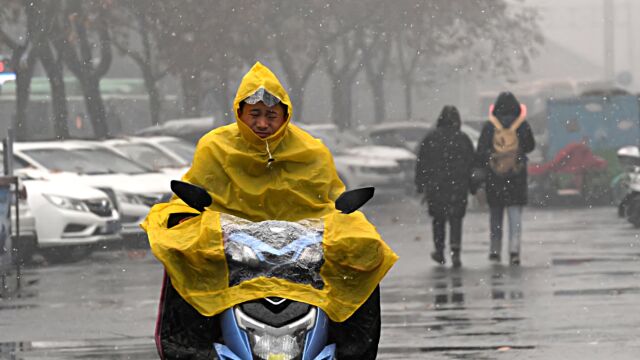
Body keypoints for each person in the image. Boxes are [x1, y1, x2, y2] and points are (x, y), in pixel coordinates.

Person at [143, 62, 397, 360]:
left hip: (301, 255)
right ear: (240, 113)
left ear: (285, 116)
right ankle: (188, 348)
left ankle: (352, 350)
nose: (263, 124)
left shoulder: (311, 151)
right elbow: (191, 194)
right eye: (255, 115)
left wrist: (346, 223)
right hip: (233, 253)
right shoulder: (215, 148)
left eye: (271, 116)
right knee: (178, 250)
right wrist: (184, 219)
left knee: (368, 250)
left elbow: (331, 201)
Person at [476, 92, 535, 265]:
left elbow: (481, 150)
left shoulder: (490, 126)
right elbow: (530, 146)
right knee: (514, 214)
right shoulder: (522, 125)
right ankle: (514, 250)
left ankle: (495, 250)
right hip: (516, 176)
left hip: (495, 176)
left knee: (496, 214)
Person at [415, 106, 475, 268]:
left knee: (438, 218)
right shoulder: (462, 139)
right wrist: (472, 186)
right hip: (458, 186)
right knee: (456, 219)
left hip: (436, 186)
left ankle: (439, 251)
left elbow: (422, 163)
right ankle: (456, 252)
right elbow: (471, 164)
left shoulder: (431, 138)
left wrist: (421, 184)